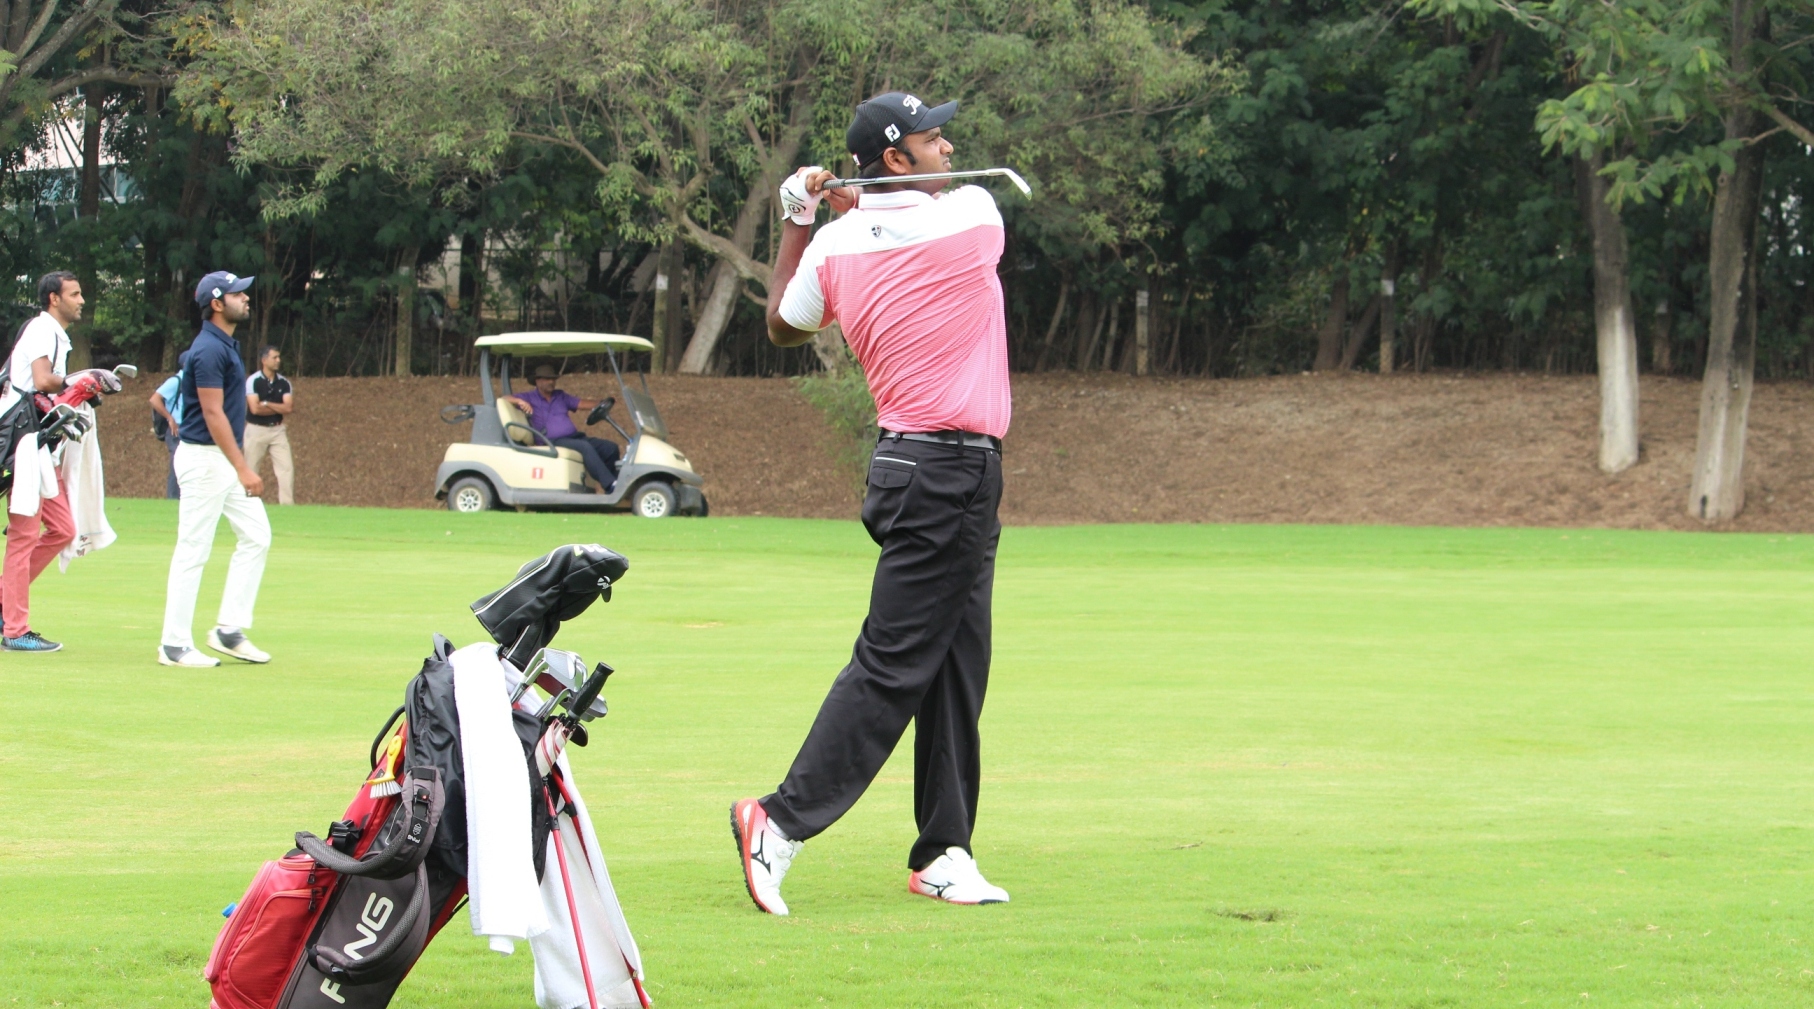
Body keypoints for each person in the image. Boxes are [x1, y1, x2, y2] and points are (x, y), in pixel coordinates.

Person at [730, 92, 1012, 914]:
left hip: (922, 469)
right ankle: (778, 821)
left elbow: (783, 324)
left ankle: (945, 850)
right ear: (896, 158)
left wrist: (798, 216)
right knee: (893, 663)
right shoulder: (974, 215)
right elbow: (912, 221)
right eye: (932, 138)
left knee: (955, 664)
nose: (948, 147)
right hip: (945, 472)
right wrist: (852, 205)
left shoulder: (832, 246)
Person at [158, 270, 272, 668]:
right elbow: (212, 413)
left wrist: (236, 465)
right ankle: (173, 645)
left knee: (257, 536)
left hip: (220, 460)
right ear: (217, 303)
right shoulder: (207, 349)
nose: (246, 298)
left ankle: (228, 629)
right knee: (193, 550)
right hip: (205, 460)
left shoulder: (225, 344)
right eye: (238, 294)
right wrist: (244, 467)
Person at [0, 271, 83, 652]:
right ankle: (15, 630)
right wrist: (80, 381)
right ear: (54, 298)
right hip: (24, 445)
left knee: (63, 528)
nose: (81, 301)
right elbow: (43, 380)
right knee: (24, 536)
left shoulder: (55, 334)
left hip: (39, 447)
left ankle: (6, 600)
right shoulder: (41, 328)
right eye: (74, 294)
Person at [502, 364, 620, 493]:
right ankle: (609, 484)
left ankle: (615, 486)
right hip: (551, 440)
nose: (551, 382)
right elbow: (504, 398)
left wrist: (602, 403)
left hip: (573, 438)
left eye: (553, 379)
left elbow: (581, 403)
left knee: (610, 448)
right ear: (538, 381)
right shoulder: (529, 397)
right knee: (584, 447)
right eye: (547, 379)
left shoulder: (560, 396)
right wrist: (519, 402)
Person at [243, 346, 295, 504]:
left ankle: (287, 506)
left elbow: (288, 408)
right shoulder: (253, 381)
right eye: (274, 357)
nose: (278, 360)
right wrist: (276, 407)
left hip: (277, 430)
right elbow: (255, 409)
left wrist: (266, 403)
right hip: (256, 430)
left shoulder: (284, 383)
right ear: (264, 360)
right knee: (251, 468)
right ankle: (248, 504)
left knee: (286, 469)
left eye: (279, 357)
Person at [150, 368, 183, 499]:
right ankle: (173, 498)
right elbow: (154, 399)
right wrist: (170, 418)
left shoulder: (195, 381)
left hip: (189, 428)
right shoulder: (176, 381)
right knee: (177, 464)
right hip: (177, 428)